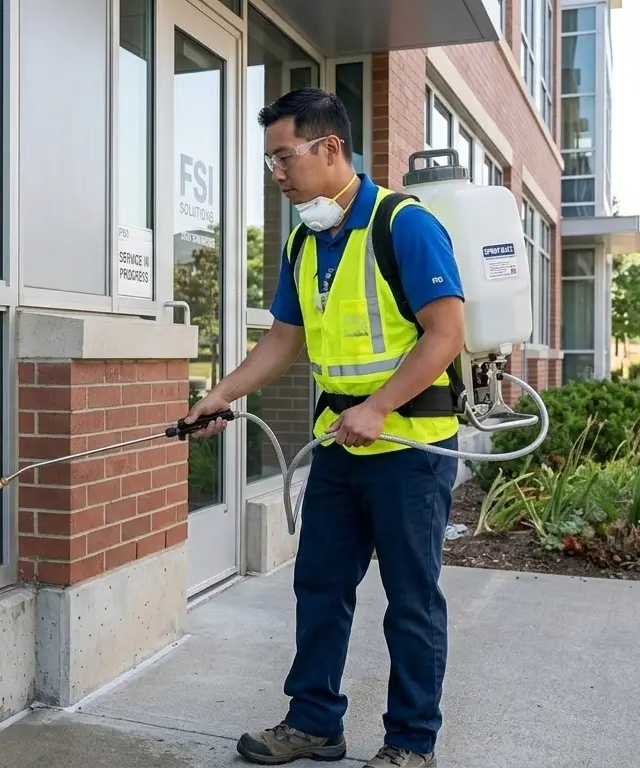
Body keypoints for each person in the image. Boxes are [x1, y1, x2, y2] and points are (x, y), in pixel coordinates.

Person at [183, 89, 465, 768]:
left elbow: (445, 334)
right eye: (271, 159)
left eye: (285, 156)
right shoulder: (305, 240)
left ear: (330, 148)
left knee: (411, 599)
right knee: (320, 585)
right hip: (342, 446)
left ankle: (411, 742)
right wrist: (217, 395)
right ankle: (314, 723)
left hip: (409, 447)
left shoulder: (405, 223)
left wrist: (376, 406)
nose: (276, 173)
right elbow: (284, 338)